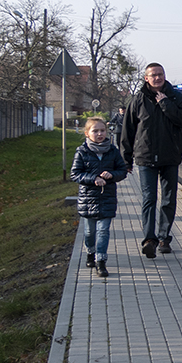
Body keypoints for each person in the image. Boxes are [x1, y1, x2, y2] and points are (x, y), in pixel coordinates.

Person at [121, 63, 182, 259]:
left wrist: (166, 104)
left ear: (164, 75)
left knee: (168, 200)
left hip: (170, 156)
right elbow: (127, 130)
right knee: (149, 199)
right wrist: (126, 159)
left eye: (160, 74)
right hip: (145, 158)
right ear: (146, 78)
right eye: (153, 75)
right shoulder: (138, 100)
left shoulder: (175, 97)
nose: (157, 78)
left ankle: (164, 238)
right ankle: (149, 240)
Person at [71, 117, 128, 277]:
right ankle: (90, 252)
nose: (99, 134)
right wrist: (93, 179)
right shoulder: (82, 151)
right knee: (90, 232)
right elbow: (75, 174)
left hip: (107, 198)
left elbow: (122, 171)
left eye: (102, 130)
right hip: (88, 199)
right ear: (87, 134)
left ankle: (100, 261)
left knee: (103, 231)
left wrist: (112, 175)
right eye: (95, 131)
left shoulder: (113, 150)